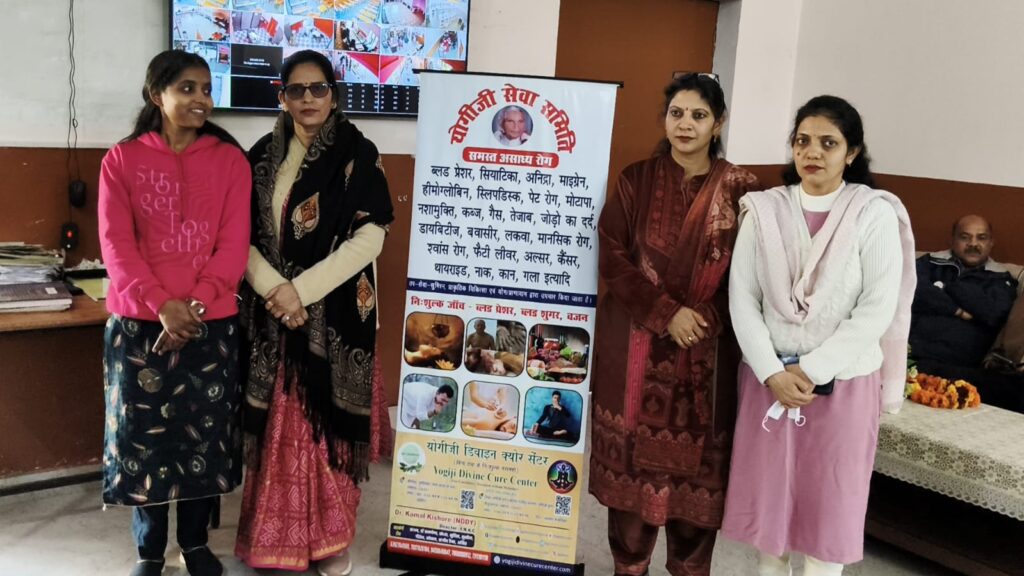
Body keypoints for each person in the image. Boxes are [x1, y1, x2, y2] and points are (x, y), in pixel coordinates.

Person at [721, 95, 916, 576]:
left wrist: (809, 371)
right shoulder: (765, 210)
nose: (813, 152)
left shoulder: (872, 213)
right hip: (768, 382)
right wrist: (773, 372)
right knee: (769, 526)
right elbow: (742, 299)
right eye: (803, 141)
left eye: (829, 143)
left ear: (852, 152)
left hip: (841, 386)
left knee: (827, 523)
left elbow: (876, 308)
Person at [589, 73, 761, 576]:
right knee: (631, 495)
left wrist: (703, 317)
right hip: (634, 349)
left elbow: (756, 275)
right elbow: (612, 255)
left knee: (697, 496)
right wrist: (666, 313)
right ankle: (629, 567)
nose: (685, 124)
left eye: (698, 115)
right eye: (677, 113)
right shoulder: (636, 180)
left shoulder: (744, 192)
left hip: (708, 353)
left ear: (718, 123)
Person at [235, 50, 395, 576]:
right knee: (281, 438)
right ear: (282, 97)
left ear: (334, 94)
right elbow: (237, 237)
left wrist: (299, 292)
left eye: (318, 88)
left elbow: (370, 238)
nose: (308, 98)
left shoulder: (358, 154)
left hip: (338, 320)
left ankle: (330, 540)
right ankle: (274, 541)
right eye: (296, 89)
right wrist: (275, 291)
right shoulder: (260, 158)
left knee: (327, 436)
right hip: (275, 319)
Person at [98, 49, 250, 576]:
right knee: (143, 441)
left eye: (206, 89)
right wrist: (161, 304)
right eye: (187, 88)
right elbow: (116, 245)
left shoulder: (230, 161)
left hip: (210, 324)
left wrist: (195, 305)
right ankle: (149, 551)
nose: (201, 99)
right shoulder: (121, 160)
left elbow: (233, 245)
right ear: (155, 95)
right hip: (140, 326)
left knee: (202, 438)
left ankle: (195, 544)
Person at [909, 215, 1023, 412]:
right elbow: (913, 289)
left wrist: (949, 287)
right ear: (952, 240)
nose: (973, 244)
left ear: (991, 242)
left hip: (961, 364)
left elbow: (994, 314)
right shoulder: (929, 263)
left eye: (981, 238)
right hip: (914, 352)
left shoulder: (1001, 280)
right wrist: (959, 310)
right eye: (965, 237)